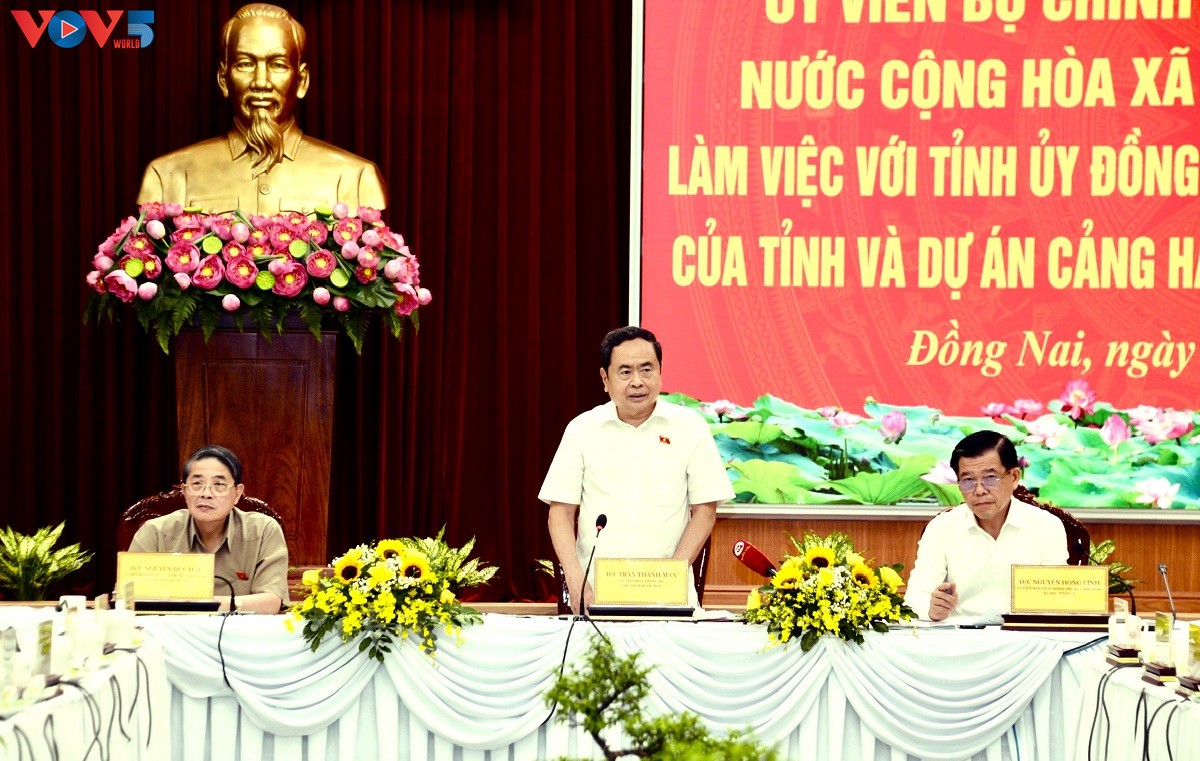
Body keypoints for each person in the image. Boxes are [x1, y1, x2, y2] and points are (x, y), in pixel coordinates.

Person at [539, 326, 734, 613]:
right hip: (596, 592)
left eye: (646, 370)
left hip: (670, 594)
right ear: (605, 379)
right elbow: (560, 512)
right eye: (625, 372)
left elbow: (705, 510)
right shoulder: (582, 430)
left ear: (660, 373)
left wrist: (672, 576)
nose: (637, 382)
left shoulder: (690, 427)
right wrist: (576, 579)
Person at [136, 3, 386, 215]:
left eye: (278, 65)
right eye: (245, 64)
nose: (261, 82)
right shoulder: (168, 175)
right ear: (223, 79)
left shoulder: (355, 178)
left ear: (301, 81)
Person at [904, 431, 1067, 622]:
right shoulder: (941, 528)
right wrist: (932, 610)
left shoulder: (1047, 526)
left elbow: (1057, 601)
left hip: (1024, 634)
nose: (979, 490)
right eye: (968, 480)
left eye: (990, 478)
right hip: (960, 635)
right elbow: (915, 599)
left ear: (1014, 477)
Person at [129, 445, 288, 614]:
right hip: (171, 630)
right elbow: (128, 599)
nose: (206, 493)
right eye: (197, 483)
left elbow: (271, 601)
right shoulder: (155, 532)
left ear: (237, 493)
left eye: (219, 484)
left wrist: (199, 604)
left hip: (237, 630)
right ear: (184, 491)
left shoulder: (263, 531)